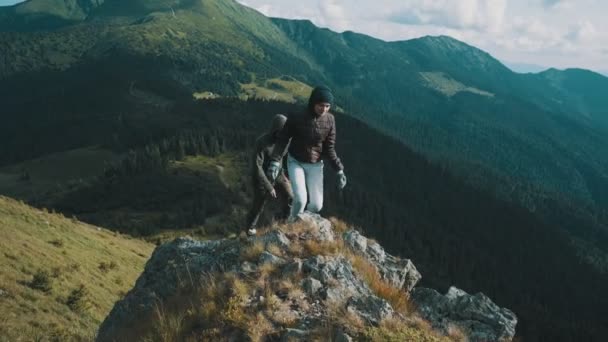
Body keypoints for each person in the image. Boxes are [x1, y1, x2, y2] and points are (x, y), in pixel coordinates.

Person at [267, 86, 347, 222]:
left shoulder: (330, 120)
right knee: (300, 200)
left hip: (316, 165)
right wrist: (275, 161)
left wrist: (339, 170)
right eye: (321, 105)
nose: (324, 109)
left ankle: (303, 222)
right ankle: (292, 225)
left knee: (316, 205)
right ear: (313, 102)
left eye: (327, 106)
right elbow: (283, 139)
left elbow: (329, 148)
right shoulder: (296, 116)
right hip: (295, 162)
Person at [245, 114, 293, 236]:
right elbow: (257, 167)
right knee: (259, 205)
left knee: (291, 197)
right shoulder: (262, 142)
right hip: (262, 179)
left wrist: (287, 176)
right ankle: (250, 229)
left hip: (279, 175)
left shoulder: (286, 141)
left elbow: (287, 158)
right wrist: (269, 186)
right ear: (275, 130)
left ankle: (283, 222)